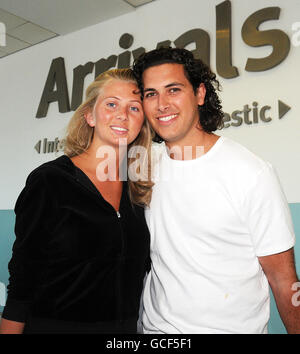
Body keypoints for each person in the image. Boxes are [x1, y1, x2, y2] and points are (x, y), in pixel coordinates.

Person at [132, 47, 300, 334]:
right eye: (151, 94)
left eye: (173, 90)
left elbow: (285, 282)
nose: (161, 104)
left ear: (199, 94)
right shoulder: (144, 167)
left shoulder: (251, 172)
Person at [0, 68, 153, 334]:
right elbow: (23, 277)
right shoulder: (51, 181)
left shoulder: (140, 190)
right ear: (89, 116)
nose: (122, 115)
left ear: (142, 122)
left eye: (134, 108)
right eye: (111, 104)